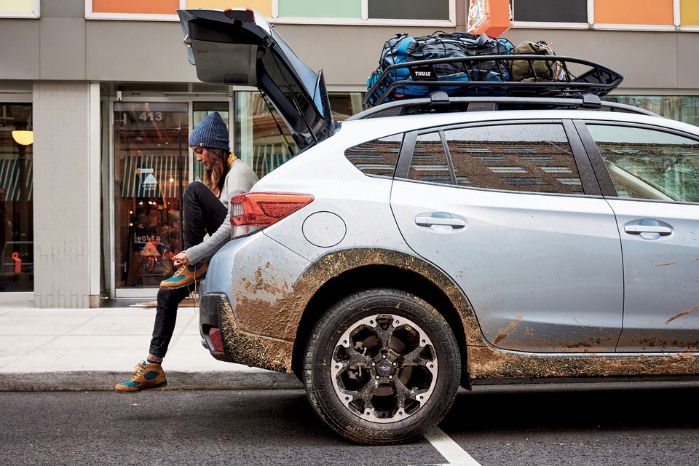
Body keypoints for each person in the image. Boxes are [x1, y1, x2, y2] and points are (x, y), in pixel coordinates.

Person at [115, 111, 258, 392]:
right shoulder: (225, 176)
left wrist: (193, 254)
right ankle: (153, 365)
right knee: (166, 294)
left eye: (200, 151)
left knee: (193, 190)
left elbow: (231, 226)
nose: (199, 158)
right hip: (217, 250)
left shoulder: (239, 172)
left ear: (215, 147)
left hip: (238, 249)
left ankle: (193, 266)